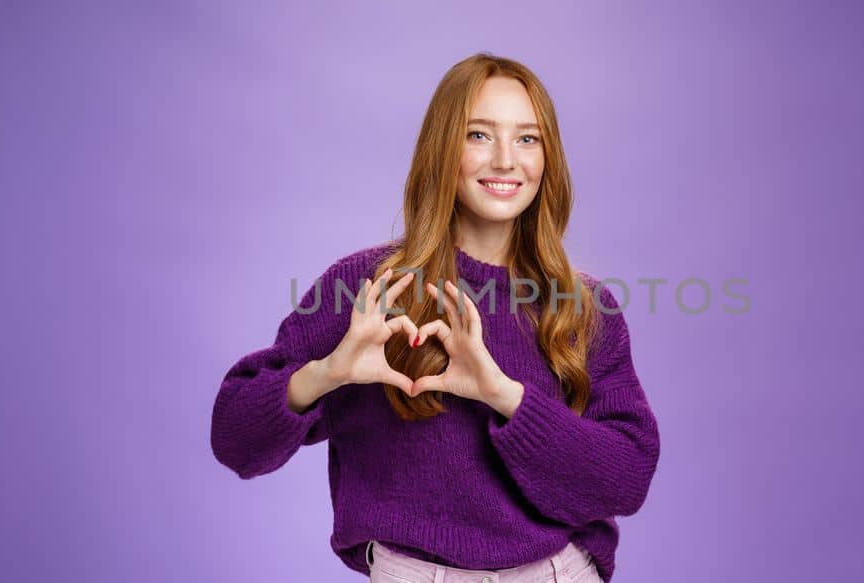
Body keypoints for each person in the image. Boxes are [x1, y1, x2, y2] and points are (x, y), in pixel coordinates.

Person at [210, 52, 660, 583]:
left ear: (548, 157)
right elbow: (234, 440)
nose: (505, 161)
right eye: (478, 135)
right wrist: (328, 372)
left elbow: (627, 480)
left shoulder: (584, 309)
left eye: (527, 138)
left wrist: (502, 395)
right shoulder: (368, 289)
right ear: (443, 149)